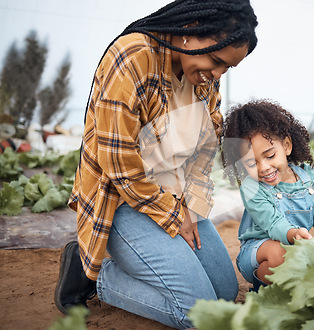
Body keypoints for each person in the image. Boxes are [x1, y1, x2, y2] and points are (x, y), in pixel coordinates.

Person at [54, 1, 258, 328]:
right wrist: (176, 215)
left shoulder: (204, 77)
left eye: (226, 69)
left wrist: (190, 203)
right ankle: (95, 276)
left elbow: (206, 147)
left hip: (173, 197)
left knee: (224, 293)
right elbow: (119, 165)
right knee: (199, 316)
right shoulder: (133, 58)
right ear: (190, 32)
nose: (217, 75)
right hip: (120, 202)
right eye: (216, 61)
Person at [221, 99, 314, 291]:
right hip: (258, 252)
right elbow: (273, 223)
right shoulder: (252, 188)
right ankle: (263, 288)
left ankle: (290, 286)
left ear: (287, 146)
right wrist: (293, 235)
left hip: (298, 251)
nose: (264, 167)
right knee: (279, 254)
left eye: (270, 155)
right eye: (252, 163)